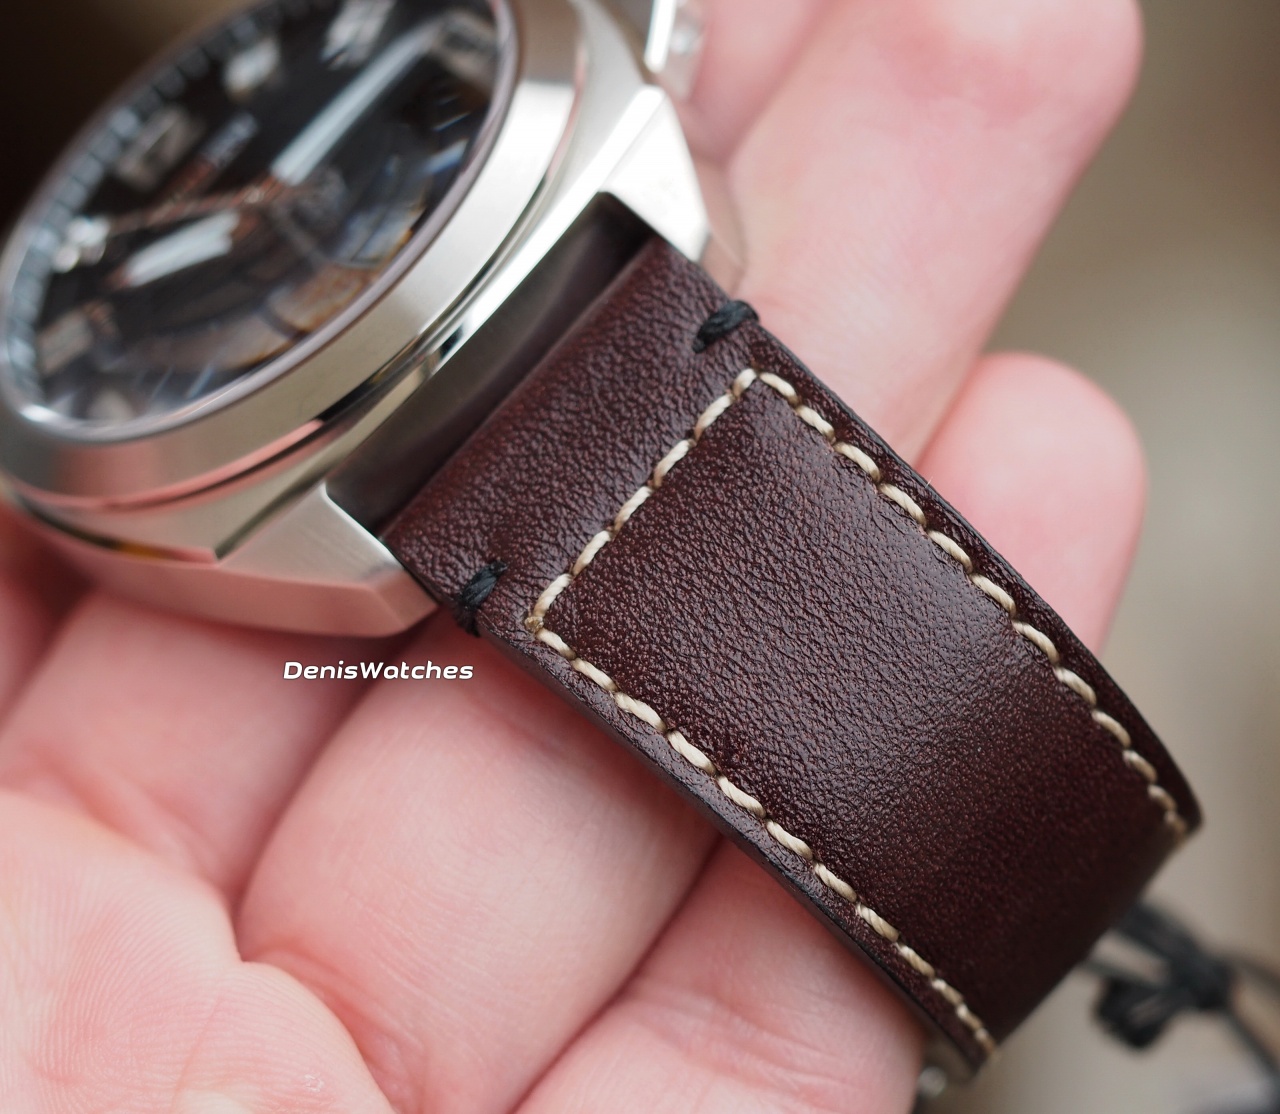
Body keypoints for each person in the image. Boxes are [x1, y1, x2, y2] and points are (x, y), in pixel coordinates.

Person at [0, 0, 1151, 1108]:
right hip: (431, 381)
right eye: (247, 221)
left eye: (278, 198)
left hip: (552, 244)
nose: (271, 205)